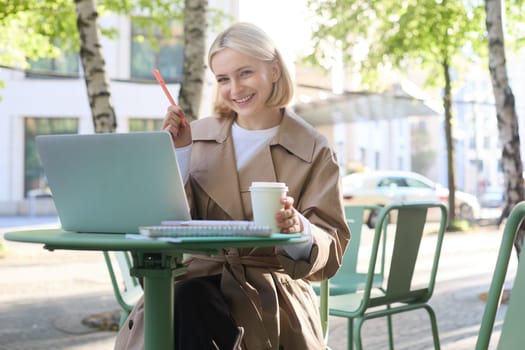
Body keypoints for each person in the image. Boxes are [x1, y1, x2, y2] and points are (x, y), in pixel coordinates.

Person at [114, 22, 350, 350]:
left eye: (245, 73)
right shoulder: (194, 135)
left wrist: (299, 230)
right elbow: (164, 221)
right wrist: (179, 155)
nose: (235, 88)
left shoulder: (313, 148)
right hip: (191, 282)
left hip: (270, 295)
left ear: (274, 70)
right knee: (186, 298)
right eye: (223, 79)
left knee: (186, 303)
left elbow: (331, 245)